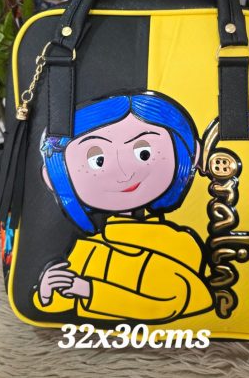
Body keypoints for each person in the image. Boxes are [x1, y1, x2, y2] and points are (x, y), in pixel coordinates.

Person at [33, 91, 214, 323]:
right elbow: (65, 305)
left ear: (191, 153)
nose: (123, 173)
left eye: (143, 153)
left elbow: (173, 302)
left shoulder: (177, 243)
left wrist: (90, 291)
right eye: (97, 160)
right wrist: (47, 293)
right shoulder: (88, 248)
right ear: (51, 177)